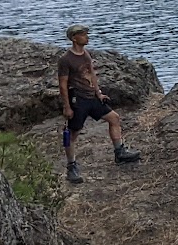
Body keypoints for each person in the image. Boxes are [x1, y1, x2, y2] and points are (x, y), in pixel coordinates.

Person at [57, 23, 142, 184]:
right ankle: (71, 166)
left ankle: (120, 152)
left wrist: (99, 93)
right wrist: (67, 106)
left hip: (92, 99)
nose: (86, 36)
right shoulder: (65, 60)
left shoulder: (86, 54)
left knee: (114, 118)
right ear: (74, 38)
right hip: (78, 100)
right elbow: (62, 84)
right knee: (73, 133)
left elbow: (92, 75)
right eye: (83, 34)